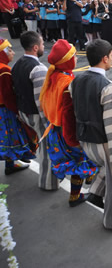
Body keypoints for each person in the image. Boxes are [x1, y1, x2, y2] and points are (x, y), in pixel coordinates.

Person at [70, 39, 112, 229]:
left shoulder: (76, 80)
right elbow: (111, 126)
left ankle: (95, 193)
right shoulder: (108, 87)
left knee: (108, 172)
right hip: (103, 141)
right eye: (111, 56)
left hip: (84, 137)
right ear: (105, 59)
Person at [39, 39, 97, 206]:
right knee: (79, 162)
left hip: (55, 129)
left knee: (80, 162)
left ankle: (85, 182)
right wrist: (73, 140)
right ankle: (75, 196)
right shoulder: (67, 83)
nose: (77, 58)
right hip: (66, 131)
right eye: (73, 56)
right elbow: (68, 114)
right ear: (66, 61)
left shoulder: (55, 76)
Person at [11, 31, 59, 190]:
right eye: (43, 44)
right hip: (35, 114)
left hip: (24, 111)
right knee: (48, 147)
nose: (44, 47)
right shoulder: (38, 68)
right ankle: (48, 183)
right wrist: (49, 124)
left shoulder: (18, 63)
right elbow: (42, 101)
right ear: (35, 47)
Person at [0, 38, 35, 174]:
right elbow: (8, 95)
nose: (13, 53)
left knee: (6, 137)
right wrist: (17, 110)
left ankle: (12, 162)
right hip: (5, 109)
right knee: (11, 136)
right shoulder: (4, 70)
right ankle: (11, 163)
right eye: (9, 50)